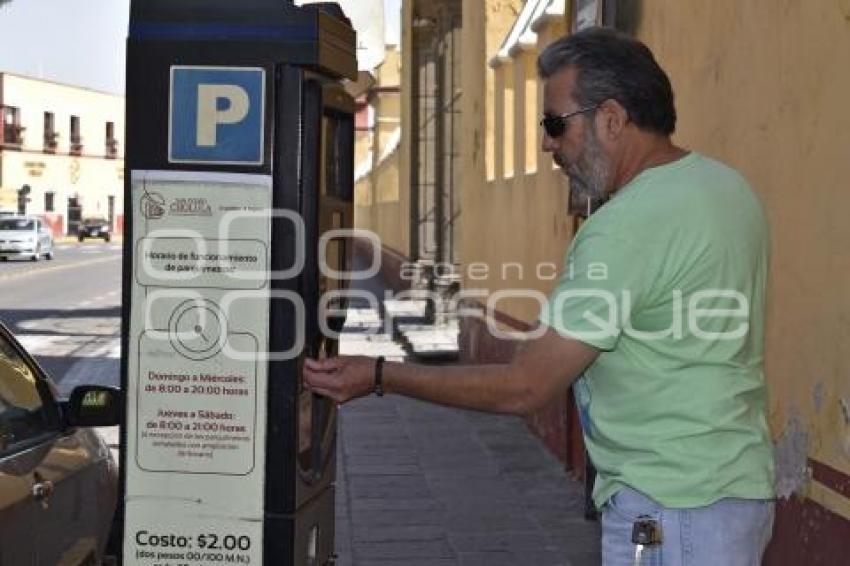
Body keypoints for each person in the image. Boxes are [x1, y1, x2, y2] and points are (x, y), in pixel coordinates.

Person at [305, 27, 775, 565]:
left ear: (612, 119)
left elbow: (526, 386)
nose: (549, 145)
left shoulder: (625, 226)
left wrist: (380, 375)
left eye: (555, 124)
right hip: (731, 494)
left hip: (671, 508)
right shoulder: (726, 189)